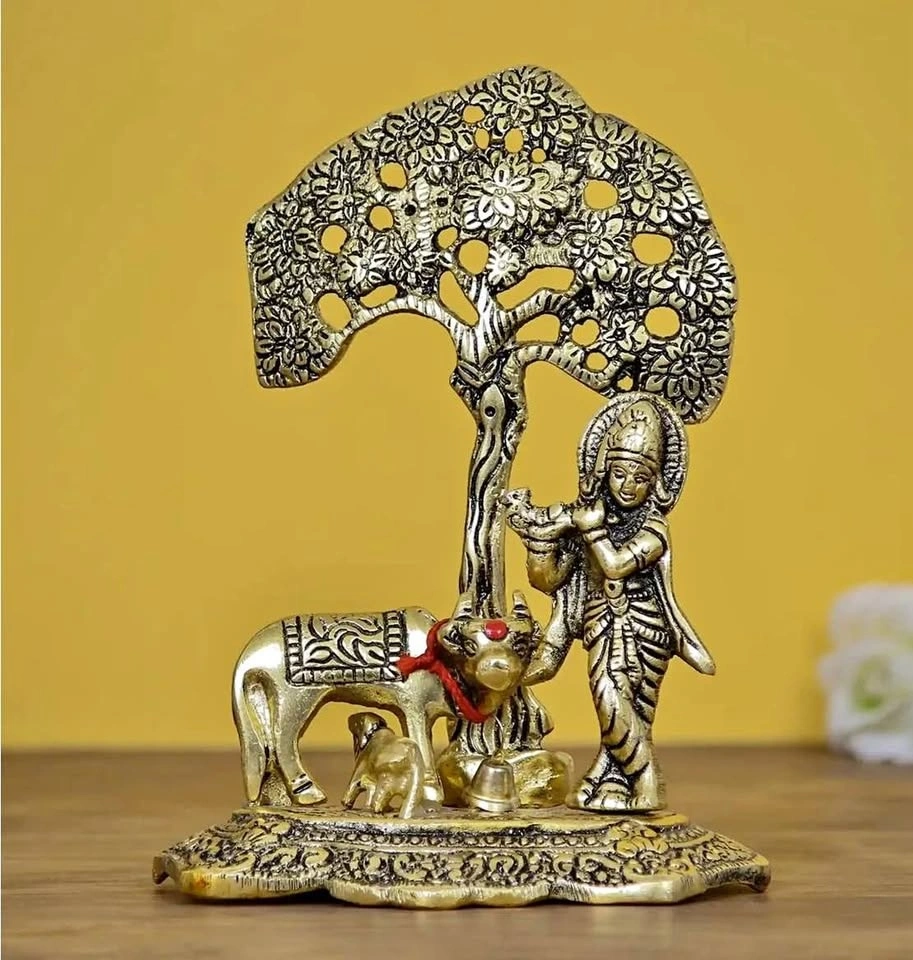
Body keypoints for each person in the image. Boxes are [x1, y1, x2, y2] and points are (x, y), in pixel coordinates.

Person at [504, 394, 715, 812]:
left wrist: (592, 530)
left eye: (640, 477)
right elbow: (551, 579)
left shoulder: (654, 530)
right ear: (603, 471)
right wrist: (540, 540)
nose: (627, 486)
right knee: (612, 705)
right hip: (600, 622)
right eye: (619, 474)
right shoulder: (591, 514)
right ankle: (607, 777)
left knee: (617, 701)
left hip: (644, 628)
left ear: (656, 483)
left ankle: (647, 783)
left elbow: (616, 566)